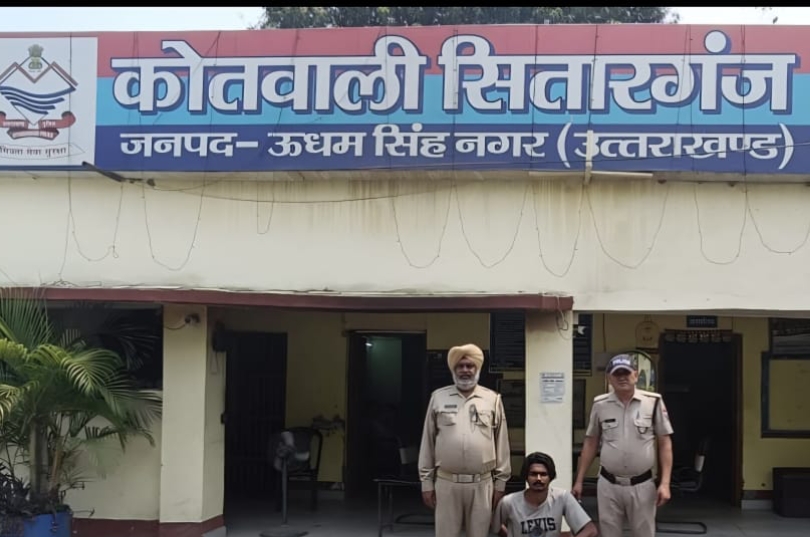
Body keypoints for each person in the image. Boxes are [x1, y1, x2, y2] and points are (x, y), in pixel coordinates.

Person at [572, 353, 674, 537]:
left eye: (626, 373)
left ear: (636, 374)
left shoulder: (653, 402)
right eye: (616, 374)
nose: (622, 378)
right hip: (608, 484)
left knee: (644, 534)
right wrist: (579, 480)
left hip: (642, 485)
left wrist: (665, 483)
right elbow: (591, 442)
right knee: (609, 533)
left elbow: (665, 443)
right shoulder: (600, 404)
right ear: (609, 378)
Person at [418, 343, 511, 537]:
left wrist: (500, 484)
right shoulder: (438, 397)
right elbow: (428, 442)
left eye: (470, 366)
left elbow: (502, 443)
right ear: (453, 369)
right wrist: (426, 482)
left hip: (482, 484)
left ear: (477, 369)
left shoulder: (492, 399)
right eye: (460, 366)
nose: (465, 370)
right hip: (446, 483)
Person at [492, 451, 598, 537]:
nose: (538, 478)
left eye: (543, 474)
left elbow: (591, 530)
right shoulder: (509, 502)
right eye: (533, 474)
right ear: (526, 476)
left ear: (550, 477)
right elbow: (495, 527)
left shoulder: (561, 497)